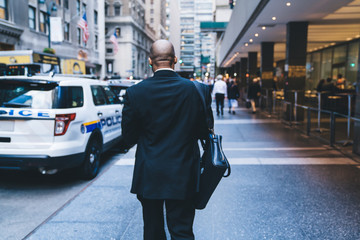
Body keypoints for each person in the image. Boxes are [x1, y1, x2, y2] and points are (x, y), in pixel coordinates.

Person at [121, 39, 213, 240]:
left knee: (152, 231)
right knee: (182, 231)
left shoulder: (134, 92)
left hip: (149, 172)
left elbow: (128, 138)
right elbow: (204, 132)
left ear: (150, 61)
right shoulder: (197, 90)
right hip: (184, 171)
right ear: (175, 60)